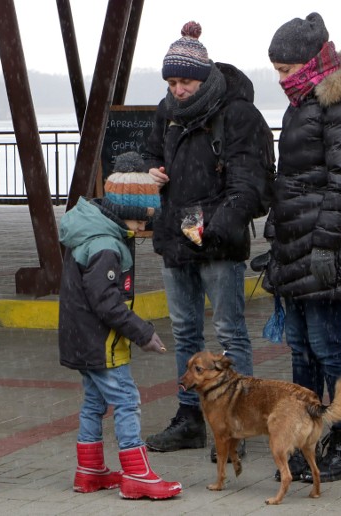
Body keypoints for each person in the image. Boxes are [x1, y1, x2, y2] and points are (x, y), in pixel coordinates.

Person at [143, 21, 274, 460]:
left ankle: (242, 420)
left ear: (205, 78)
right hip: (174, 237)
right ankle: (190, 418)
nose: (177, 90)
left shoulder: (237, 115)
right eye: (172, 82)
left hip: (218, 241)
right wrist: (149, 171)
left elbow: (252, 184)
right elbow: (146, 155)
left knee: (229, 333)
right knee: (184, 332)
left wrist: (215, 227)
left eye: (184, 82)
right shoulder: (166, 113)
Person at [264, 12, 341, 483]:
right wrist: (278, 236)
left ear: (310, 63)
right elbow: (292, 181)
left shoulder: (340, 105)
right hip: (297, 246)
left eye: (285, 70)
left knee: (329, 348)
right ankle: (307, 441)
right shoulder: (302, 103)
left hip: (326, 247)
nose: (280, 80)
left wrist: (325, 247)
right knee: (302, 352)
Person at [58, 158, 180, 501]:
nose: (142, 229)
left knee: (94, 402)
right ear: (126, 210)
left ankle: (90, 470)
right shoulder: (106, 246)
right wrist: (143, 333)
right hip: (102, 342)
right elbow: (107, 303)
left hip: (80, 338)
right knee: (127, 400)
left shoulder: (91, 229)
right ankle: (136, 473)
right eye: (141, 220)